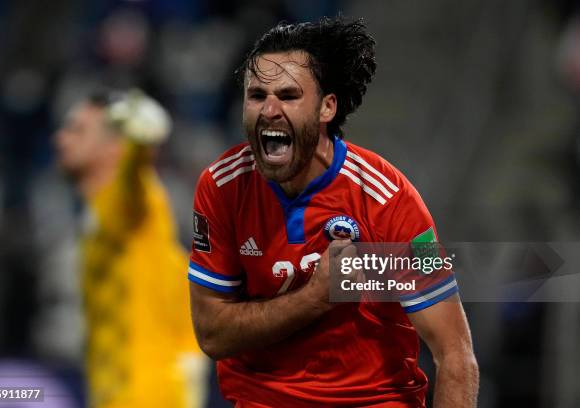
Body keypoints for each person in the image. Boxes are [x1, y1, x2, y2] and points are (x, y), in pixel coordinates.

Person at [188, 17, 479, 407]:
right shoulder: (222, 187)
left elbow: (455, 354)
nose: (269, 110)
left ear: (327, 107)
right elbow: (212, 335)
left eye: (289, 95)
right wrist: (315, 297)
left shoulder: (387, 201)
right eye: (257, 95)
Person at [55, 89, 205, 408]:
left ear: (113, 147)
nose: (61, 139)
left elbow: (133, 176)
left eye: (77, 130)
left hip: (146, 396)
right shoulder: (100, 214)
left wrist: (141, 140)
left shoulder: (133, 203)